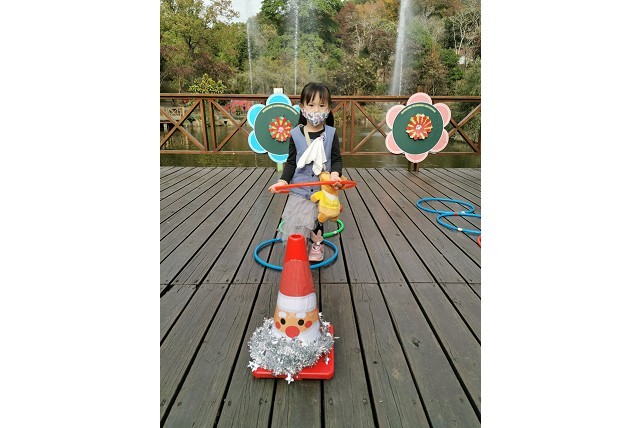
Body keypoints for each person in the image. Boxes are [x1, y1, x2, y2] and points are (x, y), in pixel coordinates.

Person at [269, 82, 343, 262]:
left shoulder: (331, 133)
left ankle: (317, 244)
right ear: (302, 107)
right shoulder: (295, 134)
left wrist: (335, 174)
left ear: (328, 108)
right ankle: (300, 245)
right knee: (298, 219)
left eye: (322, 105)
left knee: (318, 218)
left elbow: (336, 159)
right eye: (311, 105)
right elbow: (291, 162)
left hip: (322, 187)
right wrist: (283, 181)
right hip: (299, 188)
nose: (316, 110)